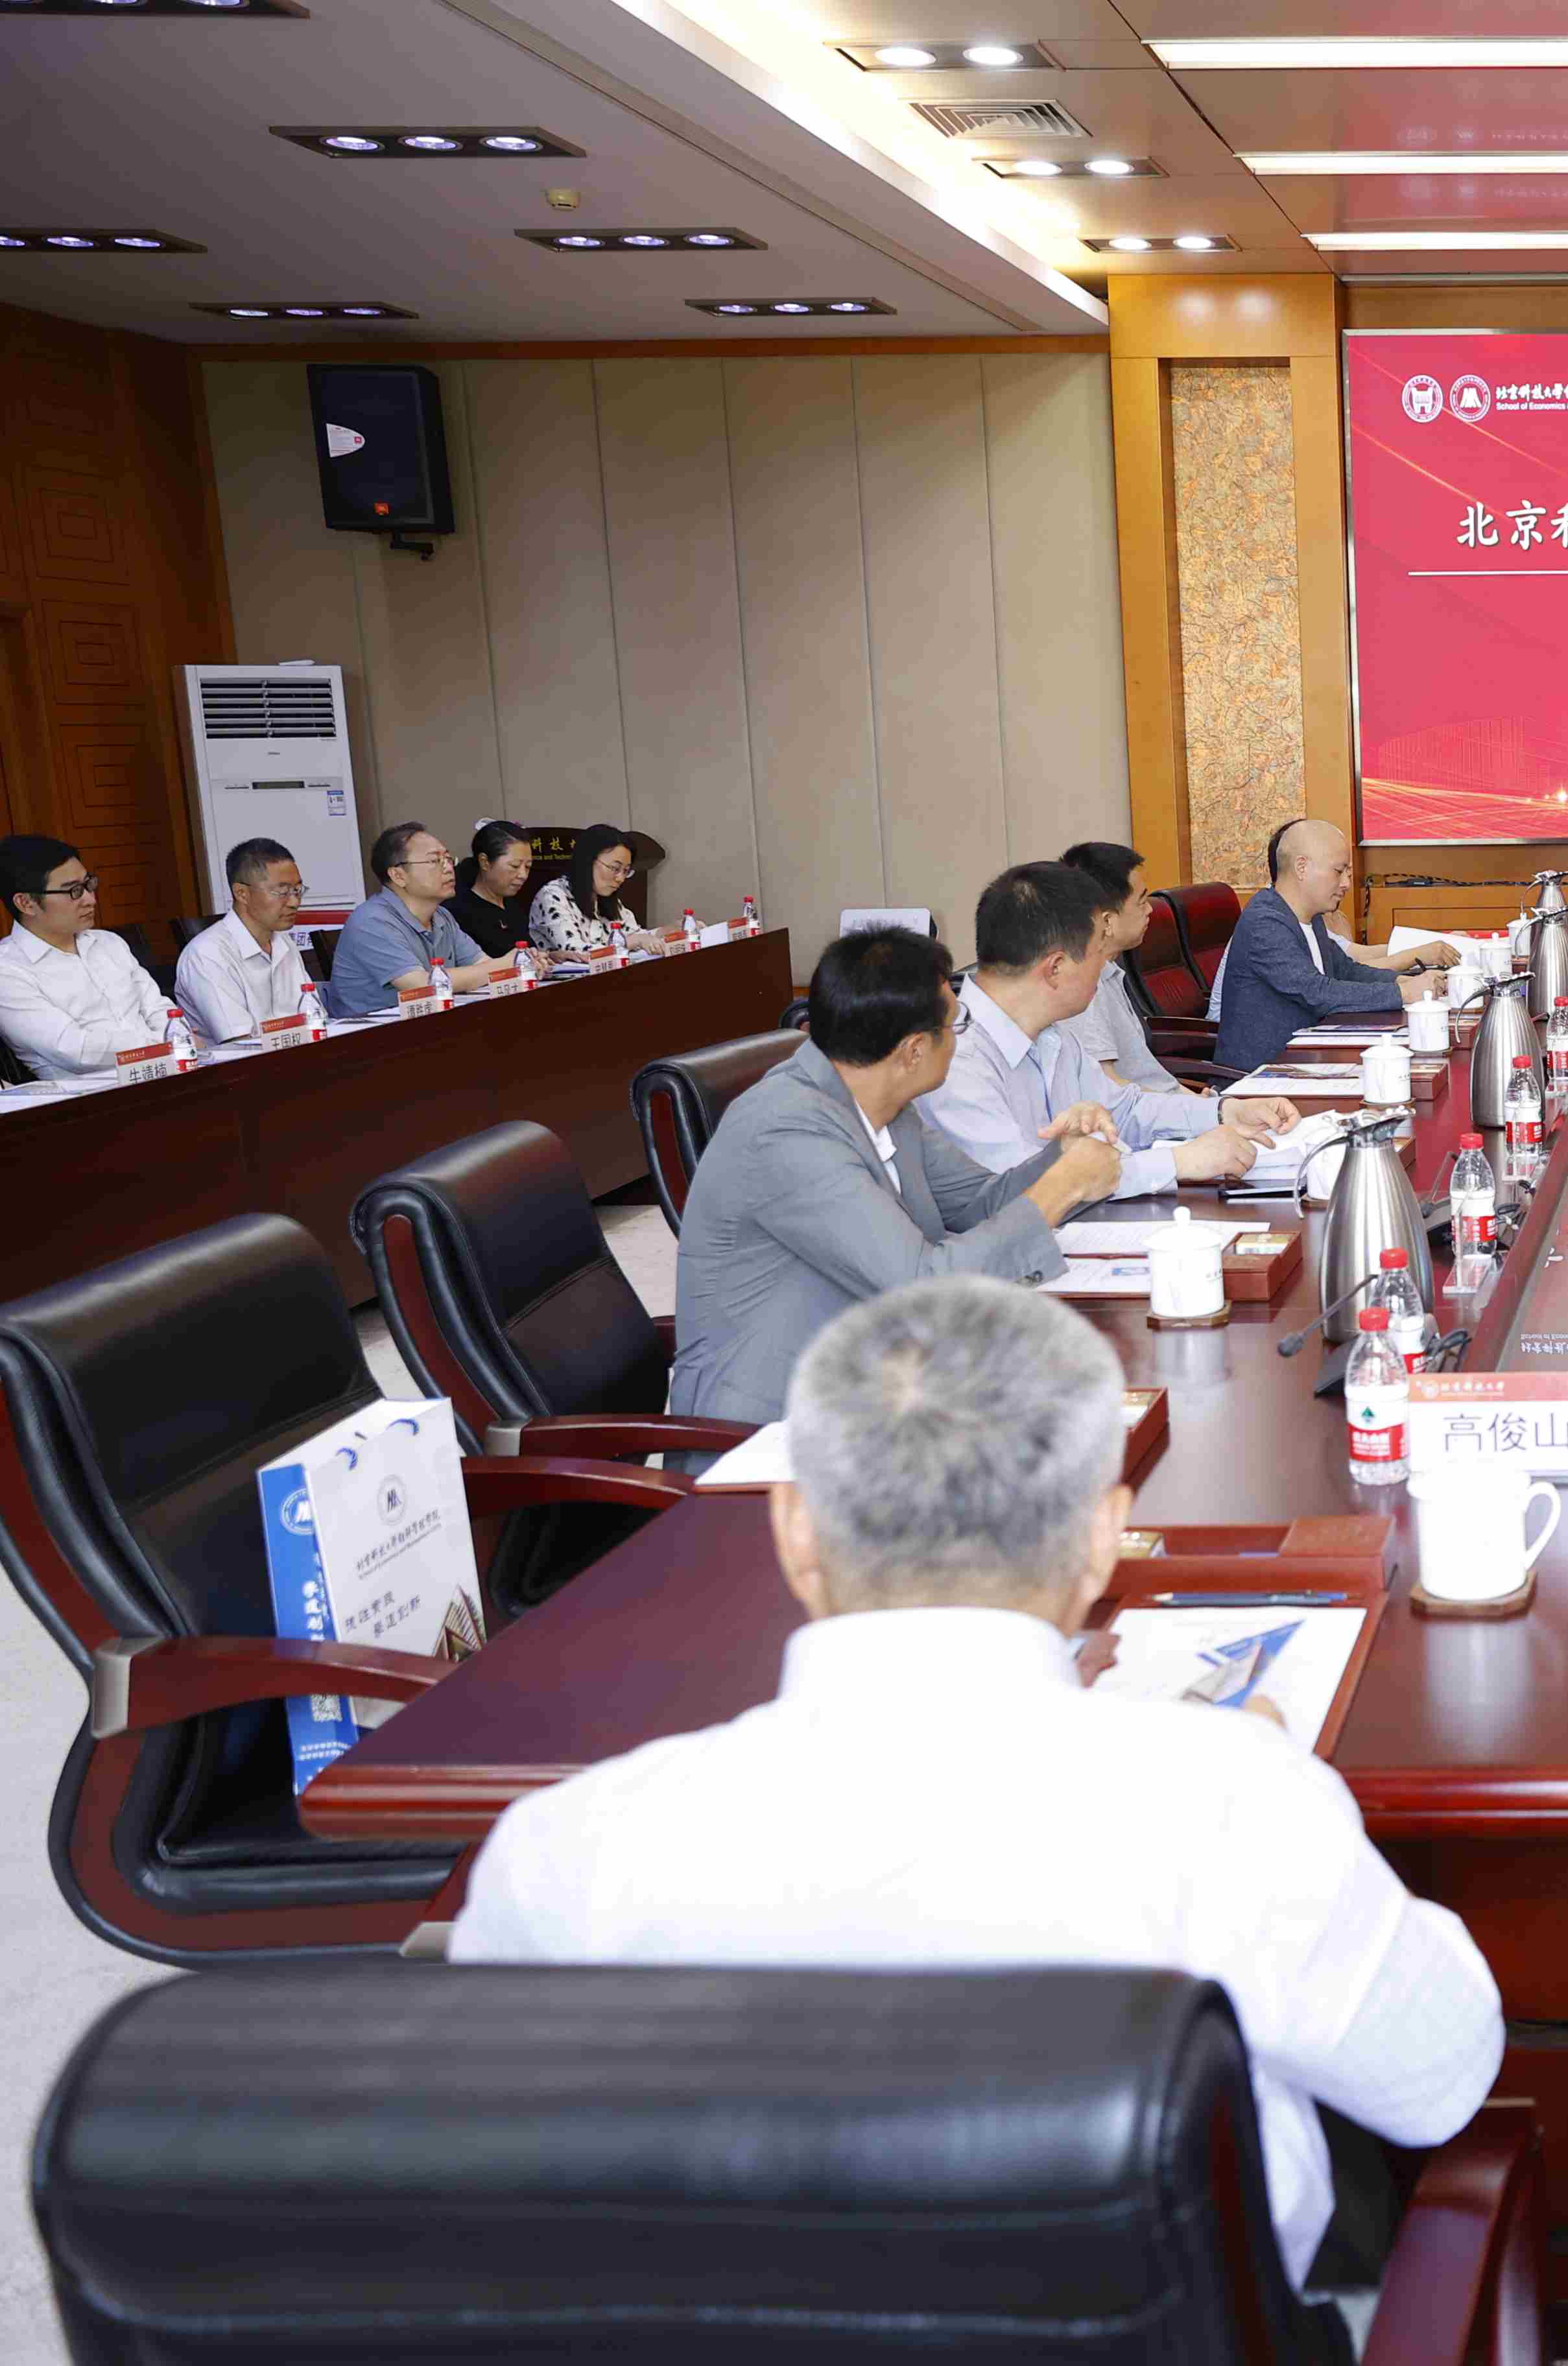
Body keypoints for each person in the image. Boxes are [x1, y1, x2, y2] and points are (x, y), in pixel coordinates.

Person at [455, 1276, 1504, 2309]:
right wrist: (1277, 1781)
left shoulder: (561, 1858)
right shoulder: (1234, 1807)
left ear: (794, 1530)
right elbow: (1440, 2079)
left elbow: (495, 2201)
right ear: (1102, 1537)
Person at [667, 927, 1122, 1426]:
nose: (959, 1039)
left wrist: (1063, 1159)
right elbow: (920, 1289)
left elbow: (981, 1202)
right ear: (913, 1051)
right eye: (956, 1023)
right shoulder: (786, 1130)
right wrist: (1062, 1186)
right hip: (773, 1427)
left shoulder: (886, 1106)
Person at [921, 862, 1293, 1201]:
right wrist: (1178, 1162)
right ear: (1055, 968)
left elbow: (1125, 1109)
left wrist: (1223, 1112)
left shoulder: (1051, 1033)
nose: (1106, 967)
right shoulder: (954, 1059)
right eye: (1099, 952)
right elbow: (1028, 1190)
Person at [1213, 820, 1436, 1075]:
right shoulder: (1265, 922)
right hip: (1262, 1077)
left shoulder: (1310, 917)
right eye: (1338, 871)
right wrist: (1403, 994)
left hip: (1305, 1059)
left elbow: (1346, 970)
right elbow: (1316, 992)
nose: (1346, 884)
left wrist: (1402, 981)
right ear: (1302, 867)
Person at [0, 833, 169, 1074]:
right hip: (97, 1093)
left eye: (89, 885)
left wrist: (176, 1039)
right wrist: (164, 1046)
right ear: (26, 903)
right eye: (74, 891)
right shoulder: (8, 971)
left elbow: (159, 1009)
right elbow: (77, 1051)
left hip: (167, 1072)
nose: (91, 900)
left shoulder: (109, 943)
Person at [324, 822, 512, 1018]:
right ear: (398, 875)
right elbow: (422, 985)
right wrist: (505, 964)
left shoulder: (442, 916)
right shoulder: (372, 921)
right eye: (435, 861)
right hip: (369, 1033)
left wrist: (514, 964)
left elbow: (484, 965)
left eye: (448, 859)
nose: (449, 868)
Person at [1059, 839, 1188, 1092]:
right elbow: (1110, 1090)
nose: (1150, 910)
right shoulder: (1086, 988)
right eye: (1141, 901)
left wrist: (1201, 1103)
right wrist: (1200, 1108)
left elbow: (1152, 1080)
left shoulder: (1110, 972)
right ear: (1107, 921)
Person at [172, 837, 316, 1044]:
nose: (294, 902)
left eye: (297, 890)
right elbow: (240, 1043)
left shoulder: (284, 943)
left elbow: (314, 1018)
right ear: (242, 893)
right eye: (283, 892)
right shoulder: (207, 954)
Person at [528, 825, 637, 954]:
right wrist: (630, 942)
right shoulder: (552, 896)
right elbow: (574, 949)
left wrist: (656, 935)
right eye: (615, 868)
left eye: (626, 871)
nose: (621, 878)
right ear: (588, 861)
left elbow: (636, 934)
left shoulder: (606, 898)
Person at [442, 819, 534, 955]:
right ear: (485, 862)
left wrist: (550, 956)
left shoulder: (514, 906)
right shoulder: (458, 913)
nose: (523, 875)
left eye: (528, 867)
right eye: (515, 866)